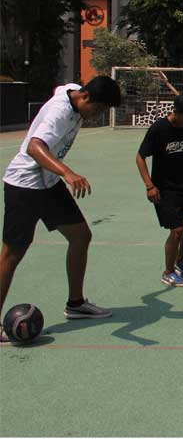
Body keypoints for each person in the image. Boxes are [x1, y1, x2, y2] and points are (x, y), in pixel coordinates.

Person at [1, 76, 122, 342]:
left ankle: (76, 304)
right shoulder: (60, 113)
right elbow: (35, 147)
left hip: (48, 182)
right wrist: (68, 172)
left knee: (81, 236)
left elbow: (64, 88)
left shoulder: (74, 93)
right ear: (86, 97)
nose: (97, 115)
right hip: (25, 185)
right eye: (98, 109)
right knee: (11, 255)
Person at [135, 91, 183, 287]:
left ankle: (179, 261)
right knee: (177, 230)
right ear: (176, 111)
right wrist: (149, 186)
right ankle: (168, 272)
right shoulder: (159, 129)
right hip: (164, 189)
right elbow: (140, 157)